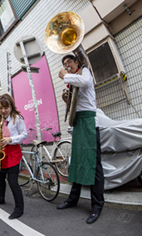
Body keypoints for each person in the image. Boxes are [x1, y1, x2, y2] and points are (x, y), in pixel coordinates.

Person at [56, 54, 104, 224]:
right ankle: (72, 199)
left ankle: (97, 205)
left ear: (77, 62)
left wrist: (65, 75)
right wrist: (67, 101)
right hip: (78, 122)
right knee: (76, 162)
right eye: (64, 63)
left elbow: (85, 83)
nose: (66, 65)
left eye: (69, 62)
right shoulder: (73, 81)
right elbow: (76, 104)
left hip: (90, 123)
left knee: (94, 165)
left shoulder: (85, 72)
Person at [0, 94, 27, 220]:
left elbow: (24, 135)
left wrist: (11, 139)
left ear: (11, 106)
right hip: (2, 151)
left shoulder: (18, 118)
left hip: (13, 152)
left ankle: (19, 208)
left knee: (13, 182)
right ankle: (0, 198)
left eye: (6, 107)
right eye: (0, 108)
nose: (3, 110)